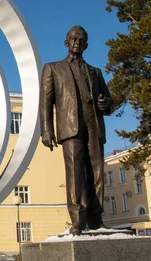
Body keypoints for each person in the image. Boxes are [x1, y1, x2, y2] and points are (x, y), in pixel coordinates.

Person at [39, 25, 113, 235]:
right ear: (66, 42)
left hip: (94, 125)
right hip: (70, 127)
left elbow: (110, 101)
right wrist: (46, 130)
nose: (77, 42)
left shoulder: (95, 72)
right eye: (73, 39)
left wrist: (105, 103)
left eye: (81, 40)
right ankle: (78, 220)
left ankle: (96, 219)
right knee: (75, 174)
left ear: (86, 45)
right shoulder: (53, 68)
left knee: (97, 172)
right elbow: (46, 101)